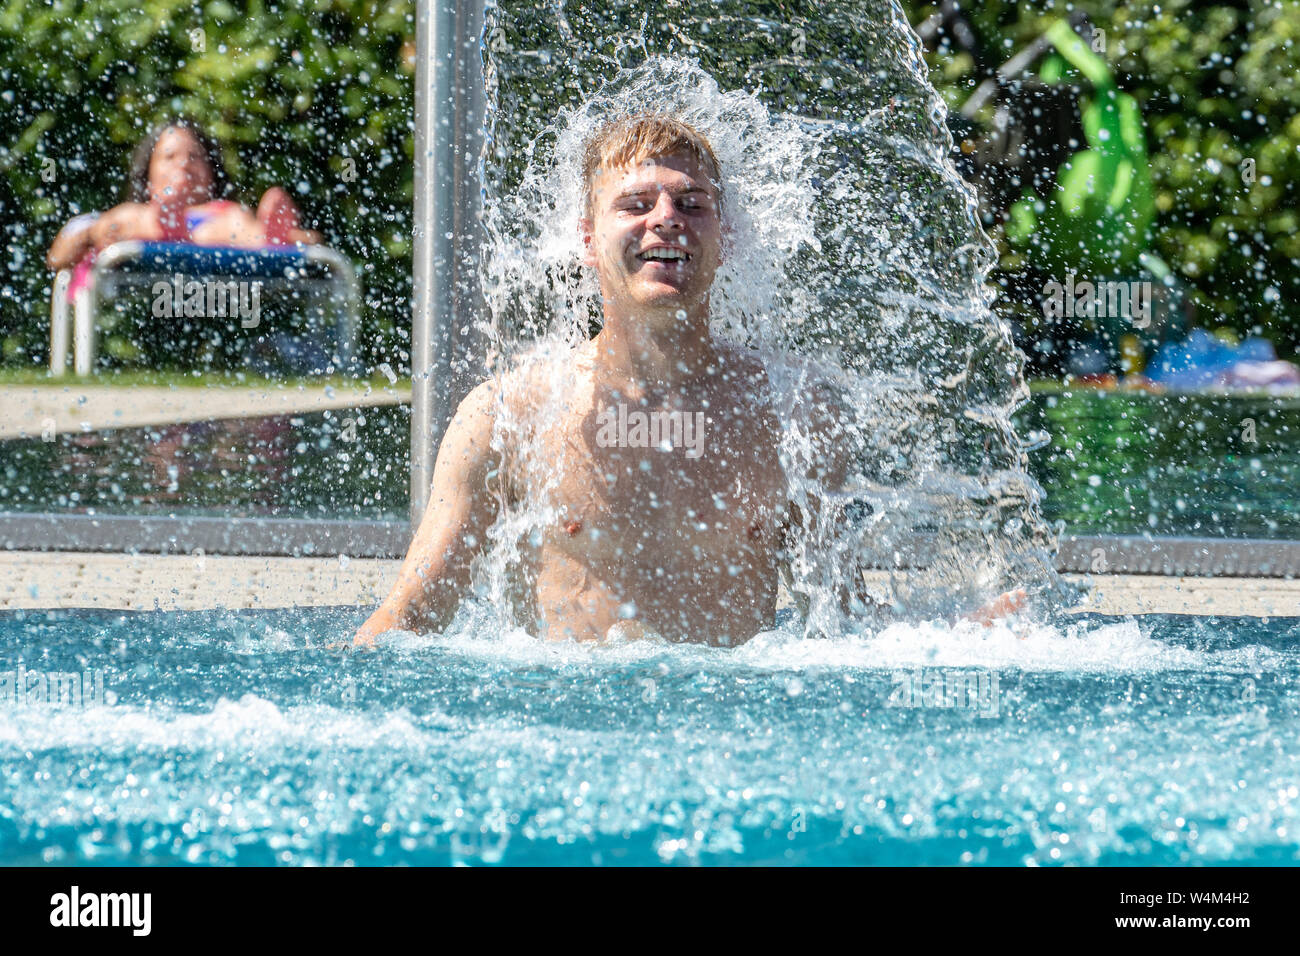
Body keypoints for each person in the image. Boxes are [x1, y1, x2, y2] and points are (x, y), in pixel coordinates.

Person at [353, 114, 1023, 648]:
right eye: (636, 203)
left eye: (692, 202)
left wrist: (960, 641)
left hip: (728, 740)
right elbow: (409, 619)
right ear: (587, 239)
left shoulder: (793, 415)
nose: (666, 217)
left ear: (725, 236)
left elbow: (837, 625)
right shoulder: (507, 415)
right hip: (566, 739)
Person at [46, 117, 319, 273]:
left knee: (235, 223)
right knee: (128, 219)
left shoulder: (225, 211)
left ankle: (267, 237)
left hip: (213, 235)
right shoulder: (132, 213)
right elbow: (56, 259)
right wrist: (91, 233)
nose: (184, 165)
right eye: (170, 157)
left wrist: (298, 239)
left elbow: (310, 243)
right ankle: (165, 223)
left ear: (212, 173)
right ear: (148, 177)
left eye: (195, 157)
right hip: (145, 228)